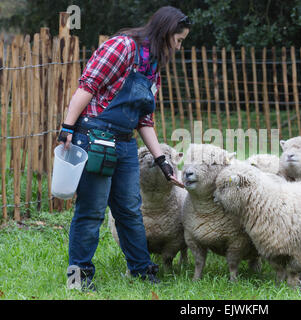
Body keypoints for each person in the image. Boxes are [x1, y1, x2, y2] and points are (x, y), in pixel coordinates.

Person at [58, 6, 190, 291]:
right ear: (166, 33)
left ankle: (142, 270)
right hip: (94, 136)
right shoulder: (123, 47)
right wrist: (68, 127)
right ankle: (77, 279)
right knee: (91, 211)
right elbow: (87, 85)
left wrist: (161, 160)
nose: (179, 47)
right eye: (178, 40)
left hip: (125, 142)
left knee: (130, 209)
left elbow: (144, 118)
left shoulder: (152, 65)